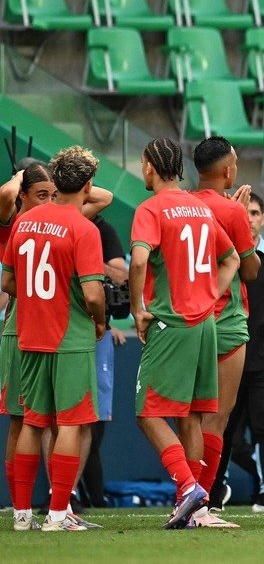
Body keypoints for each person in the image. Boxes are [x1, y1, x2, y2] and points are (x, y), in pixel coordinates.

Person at [128, 138, 240, 530]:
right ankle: (194, 506)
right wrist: (211, 294)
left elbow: (140, 258)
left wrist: (138, 309)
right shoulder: (200, 207)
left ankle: (189, 486)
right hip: (206, 323)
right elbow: (233, 259)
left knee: (148, 414)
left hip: (171, 322)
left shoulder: (150, 209)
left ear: (149, 167)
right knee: (191, 417)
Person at [0, 146, 107, 532]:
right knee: (71, 423)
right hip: (70, 336)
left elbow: (7, 281)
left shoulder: (24, 223)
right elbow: (94, 295)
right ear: (88, 184)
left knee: (32, 422)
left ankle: (22, 514)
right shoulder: (84, 228)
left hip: (28, 332)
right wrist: (100, 321)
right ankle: (59, 514)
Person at [190, 137, 262, 515]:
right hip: (225, 320)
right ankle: (200, 505)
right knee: (216, 419)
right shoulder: (232, 211)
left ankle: (184, 495)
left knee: (188, 417)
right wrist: (238, 222)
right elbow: (249, 271)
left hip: (185, 321)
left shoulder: (180, 206)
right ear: (227, 170)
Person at [212, 191, 264, 513]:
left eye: (256, 213)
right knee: (224, 427)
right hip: (230, 353)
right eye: (244, 212)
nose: (250, 218)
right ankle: (213, 492)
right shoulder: (224, 255)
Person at [2, 163, 58, 523]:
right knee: (23, 420)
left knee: (55, 420)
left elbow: (99, 195)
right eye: (41, 195)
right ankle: (22, 510)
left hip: (51, 326)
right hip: (22, 325)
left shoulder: (53, 220)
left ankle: (58, 507)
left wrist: (51, 184)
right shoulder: (11, 221)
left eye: (53, 195)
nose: (48, 202)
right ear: (23, 194)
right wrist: (19, 179)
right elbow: (6, 195)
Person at [77, 213, 129, 513]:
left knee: (93, 423)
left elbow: (121, 275)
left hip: (98, 333)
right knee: (54, 420)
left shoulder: (102, 227)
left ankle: (90, 496)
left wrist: (88, 261)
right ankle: (70, 494)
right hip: (66, 331)